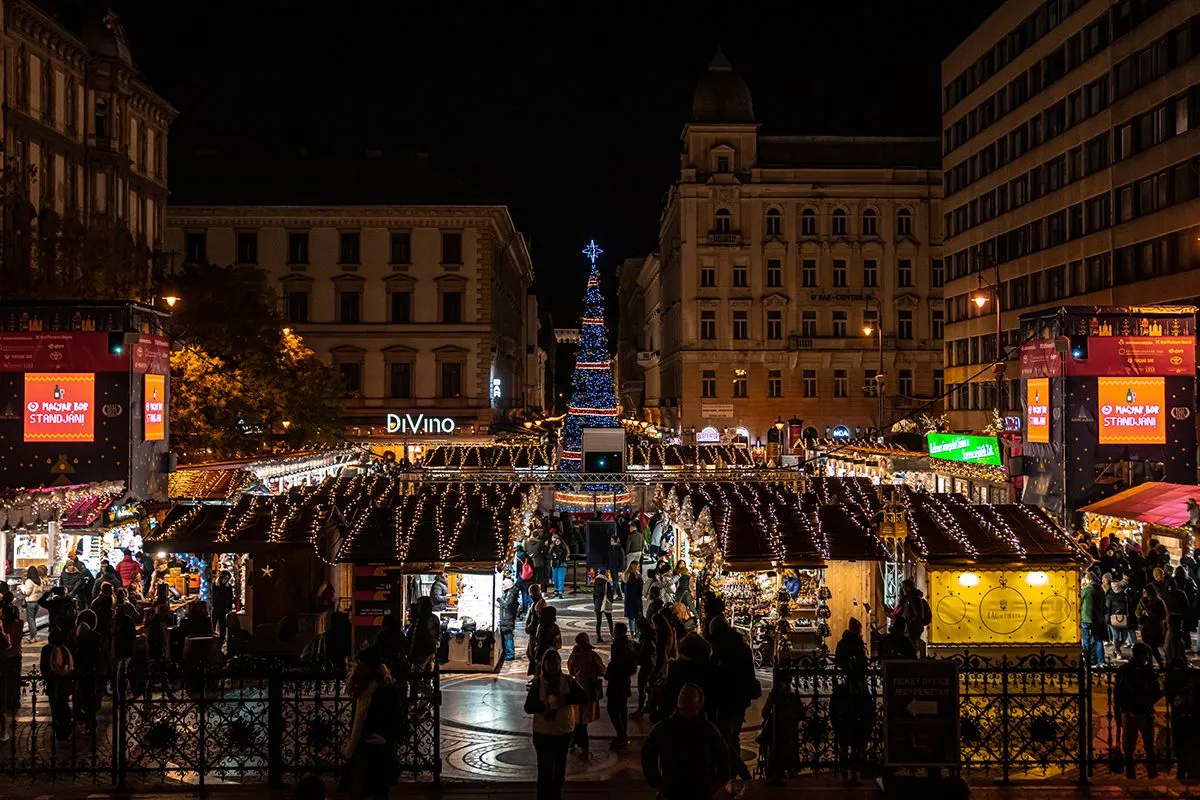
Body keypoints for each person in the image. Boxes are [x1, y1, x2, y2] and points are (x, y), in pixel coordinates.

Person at [642, 683, 731, 800]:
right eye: (682, 694)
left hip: (700, 790)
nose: (684, 697)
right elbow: (648, 753)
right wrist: (657, 782)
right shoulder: (664, 727)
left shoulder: (707, 729)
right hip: (672, 790)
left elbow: (723, 756)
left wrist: (717, 782)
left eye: (689, 695)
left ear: (699, 704)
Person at [338, 647, 401, 800]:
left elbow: (397, 716)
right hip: (364, 745)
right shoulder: (365, 687)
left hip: (376, 747)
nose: (357, 667)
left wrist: (386, 739)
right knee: (364, 789)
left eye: (362, 663)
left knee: (372, 789)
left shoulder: (383, 688)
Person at [527, 649, 582, 800]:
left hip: (563, 731)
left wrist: (565, 699)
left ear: (559, 664)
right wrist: (544, 707)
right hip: (544, 732)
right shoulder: (538, 684)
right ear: (544, 665)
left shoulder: (568, 681)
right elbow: (528, 706)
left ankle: (556, 794)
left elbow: (584, 696)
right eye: (549, 664)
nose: (552, 667)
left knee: (559, 767)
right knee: (545, 769)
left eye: (555, 664)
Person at [708, 616, 759, 777]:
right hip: (741, 696)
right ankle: (733, 769)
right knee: (734, 733)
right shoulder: (742, 647)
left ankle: (735, 770)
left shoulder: (718, 648)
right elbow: (749, 672)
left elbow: (715, 673)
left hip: (725, 697)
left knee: (724, 735)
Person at [832, 618, 873, 784]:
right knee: (858, 733)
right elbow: (861, 665)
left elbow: (839, 662)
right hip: (854, 689)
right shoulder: (856, 645)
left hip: (845, 690)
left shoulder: (843, 643)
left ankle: (844, 770)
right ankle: (855, 769)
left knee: (844, 734)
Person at [1114, 642, 1162, 779]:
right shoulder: (1147, 672)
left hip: (1128, 711)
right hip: (1144, 712)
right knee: (1148, 746)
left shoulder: (1123, 670)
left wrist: (1118, 712)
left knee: (1128, 748)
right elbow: (1154, 694)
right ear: (1143, 655)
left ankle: (1131, 777)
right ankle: (1152, 776)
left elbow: (1117, 695)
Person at [566, 632, 606, 757]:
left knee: (577, 717)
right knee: (583, 719)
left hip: (577, 687)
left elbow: (571, 670)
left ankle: (574, 742)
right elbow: (602, 670)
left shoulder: (575, 655)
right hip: (589, 688)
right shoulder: (593, 655)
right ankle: (582, 744)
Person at [40, 627, 75, 741]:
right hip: (65, 683)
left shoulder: (47, 650)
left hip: (53, 683)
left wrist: (47, 678)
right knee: (63, 704)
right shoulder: (66, 649)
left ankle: (59, 729)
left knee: (55, 706)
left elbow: (43, 667)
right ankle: (66, 727)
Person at [605, 622, 636, 747]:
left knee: (612, 708)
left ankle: (622, 734)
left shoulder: (620, 647)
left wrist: (607, 674)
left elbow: (616, 664)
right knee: (622, 708)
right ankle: (622, 734)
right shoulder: (627, 644)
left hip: (617, 682)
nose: (613, 633)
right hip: (623, 681)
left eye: (615, 631)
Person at [1136, 584, 1168, 667]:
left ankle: (1160, 664)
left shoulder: (1158, 602)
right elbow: (1137, 612)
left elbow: (1163, 615)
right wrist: (1142, 613)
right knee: (1147, 647)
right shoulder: (1143, 600)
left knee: (1153, 647)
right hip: (1145, 627)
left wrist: (1150, 614)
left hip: (1155, 627)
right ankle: (1149, 666)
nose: (1143, 593)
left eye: (1145, 591)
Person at [1080, 572, 1107, 665]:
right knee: (1098, 640)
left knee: (1086, 640)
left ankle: (1087, 661)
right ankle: (1100, 661)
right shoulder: (1100, 590)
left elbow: (1079, 602)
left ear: (1088, 579)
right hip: (1098, 618)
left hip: (1086, 618)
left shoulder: (1086, 590)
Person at [633, 616, 657, 718]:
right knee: (648, 687)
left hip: (647, 666)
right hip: (651, 665)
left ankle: (641, 709)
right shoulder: (651, 635)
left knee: (642, 687)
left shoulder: (647, 639)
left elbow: (643, 654)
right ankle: (649, 706)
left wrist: (635, 650)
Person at [1106, 578, 1134, 660]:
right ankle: (1118, 651)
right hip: (1113, 618)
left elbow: (1129, 606)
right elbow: (1107, 608)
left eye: (1116, 586)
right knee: (1116, 636)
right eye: (1113, 586)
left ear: (1119, 585)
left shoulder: (1124, 595)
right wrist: (1107, 620)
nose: (1115, 588)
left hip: (1124, 618)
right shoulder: (1109, 596)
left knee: (1124, 637)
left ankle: (1116, 648)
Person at [525, 583, 547, 675]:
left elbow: (535, 621)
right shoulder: (539, 602)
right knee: (531, 654)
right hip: (536, 633)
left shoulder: (538, 605)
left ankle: (536, 676)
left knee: (533, 654)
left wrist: (528, 628)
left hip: (535, 634)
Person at [498, 575, 520, 661]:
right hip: (507, 617)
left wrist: (498, 599)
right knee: (507, 636)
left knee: (508, 636)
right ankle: (508, 653)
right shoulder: (511, 592)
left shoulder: (510, 593)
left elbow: (506, 604)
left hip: (507, 618)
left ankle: (510, 654)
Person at [534, 605, 563, 669]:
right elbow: (559, 644)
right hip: (553, 653)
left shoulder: (544, 629)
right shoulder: (555, 627)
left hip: (544, 655)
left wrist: (537, 657)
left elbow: (542, 644)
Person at [21, 565, 44, 641]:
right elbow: (41, 590)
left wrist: (22, 587)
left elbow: (27, 592)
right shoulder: (39, 580)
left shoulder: (29, 581)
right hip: (37, 602)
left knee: (30, 620)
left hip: (30, 602)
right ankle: (32, 636)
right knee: (33, 619)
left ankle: (33, 636)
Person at [211, 570, 235, 643]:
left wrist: (229, 608)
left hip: (225, 610)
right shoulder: (215, 585)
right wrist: (213, 606)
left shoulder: (228, 586)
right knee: (213, 626)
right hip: (216, 609)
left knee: (223, 627)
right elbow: (213, 597)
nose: (225, 580)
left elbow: (230, 598)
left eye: (227, 578)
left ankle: (221, 642)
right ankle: (212, 641)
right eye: (224, 578)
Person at [593, 570, 614, 643]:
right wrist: (611, 601)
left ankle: (598, 637)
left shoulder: (596, 581)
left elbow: (594, 593)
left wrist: (595, 602)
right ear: (605, 573)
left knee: (598, 621)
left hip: (598, 602)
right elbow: (609, 593)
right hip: (606, 601)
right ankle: (613, 635)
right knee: (609, 620)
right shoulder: (607, 582)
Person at [623, 562, 644, 629]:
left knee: (631, 617)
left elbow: (623, 587)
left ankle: (632, 632)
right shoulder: (638, 577)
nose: (639, 568)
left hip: (628, 599)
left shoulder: (626, 576)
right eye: (638, 566)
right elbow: (640, 588)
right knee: (637, 616)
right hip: (636, 599)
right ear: (635, 567)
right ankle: (637, 630)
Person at [548, 534, 569, 599]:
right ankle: (557, 590)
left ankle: (560, 592)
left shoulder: (563, 549)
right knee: (555, 579)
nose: (557, 542)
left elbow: (562, 557)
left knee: (561, 579)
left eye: (558, 541)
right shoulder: (552, 549)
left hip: (561, 566)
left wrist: (556, 556)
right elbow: (550, 556)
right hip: (555, 566)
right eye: (556, 541)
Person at [515, 544, 533, 615]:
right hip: (530, 578)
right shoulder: (528, 557)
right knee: (529, 593)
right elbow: (532, 567)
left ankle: (525, 609)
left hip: (522, 578)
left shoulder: (518, 558)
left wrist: (517, 578)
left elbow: (518, 570)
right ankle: (531, 607)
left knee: (524, 594)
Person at [606, 535, 626, 601]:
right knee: (615, 582)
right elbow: (608, 559)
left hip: (617, 568)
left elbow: (622, 560)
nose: (610, 541)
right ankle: (619, 595)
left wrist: (620, 570)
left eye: (612, 540)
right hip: (612, 567)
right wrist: (608, 567)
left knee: (615, 582)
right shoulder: (610, 548)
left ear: (615, 541)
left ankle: (612, 595)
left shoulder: (620, 549)